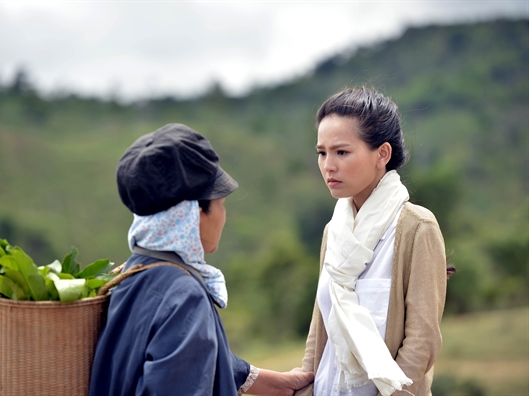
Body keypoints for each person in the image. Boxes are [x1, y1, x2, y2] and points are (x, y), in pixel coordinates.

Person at [89, 123, 314, 396]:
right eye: (221, 203)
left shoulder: (129, 276)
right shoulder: (184, 297)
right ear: (192, 213)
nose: (223, 215)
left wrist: (257, 380)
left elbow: (175, 359)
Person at [294, 87, 450, 396]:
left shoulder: (416, 228)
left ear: (382, 154)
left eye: (341, 152)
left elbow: (422, 341)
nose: (328, 165)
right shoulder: (335, 231)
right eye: (322, 153)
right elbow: (319, 332)